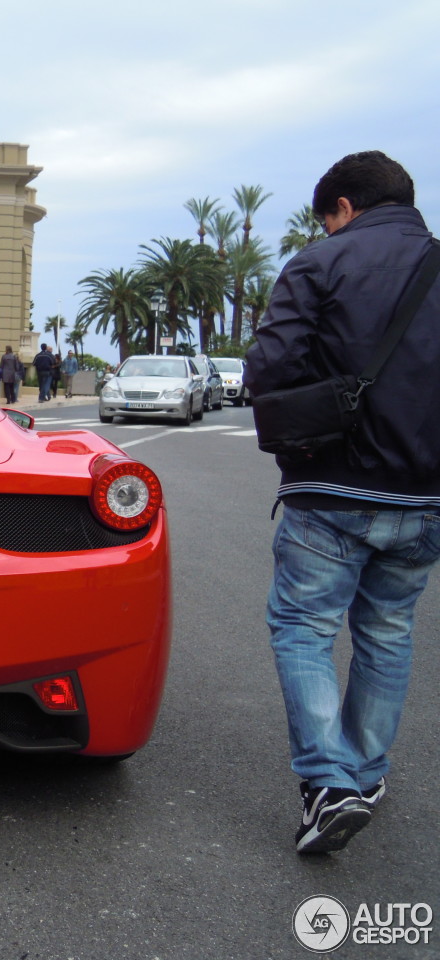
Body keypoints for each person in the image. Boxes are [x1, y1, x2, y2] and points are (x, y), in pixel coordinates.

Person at [244, 151, 440, 855]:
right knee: (388, 631)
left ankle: (329, 784)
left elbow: (269, 367)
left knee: (303, 626)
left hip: (331, 483)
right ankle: (364, 772)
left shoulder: (320, 264)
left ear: (344, 208)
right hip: (426, 495)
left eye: (328, 219)